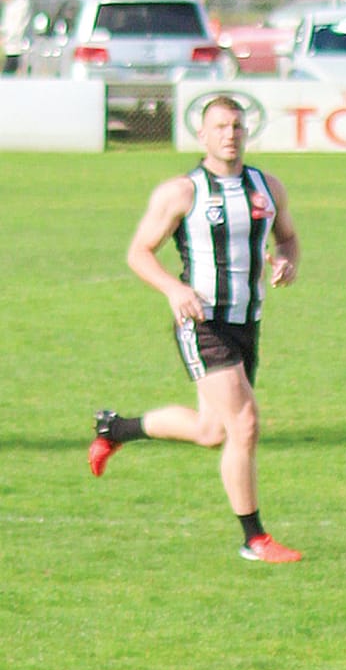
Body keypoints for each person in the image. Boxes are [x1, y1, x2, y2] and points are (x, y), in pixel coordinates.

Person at [89, 92, 304, 563]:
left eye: (237, 126)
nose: (230, 135)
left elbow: (287, 235)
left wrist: (287, 260)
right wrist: (172, 289)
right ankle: (254, 538)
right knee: (244, 424)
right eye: (221, 127)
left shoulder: (267, 187)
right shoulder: (182, 192)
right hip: (203, 323)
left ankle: (115, 428)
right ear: (202, 134)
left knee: (212, 431)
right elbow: (139, 252)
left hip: (248, 321)